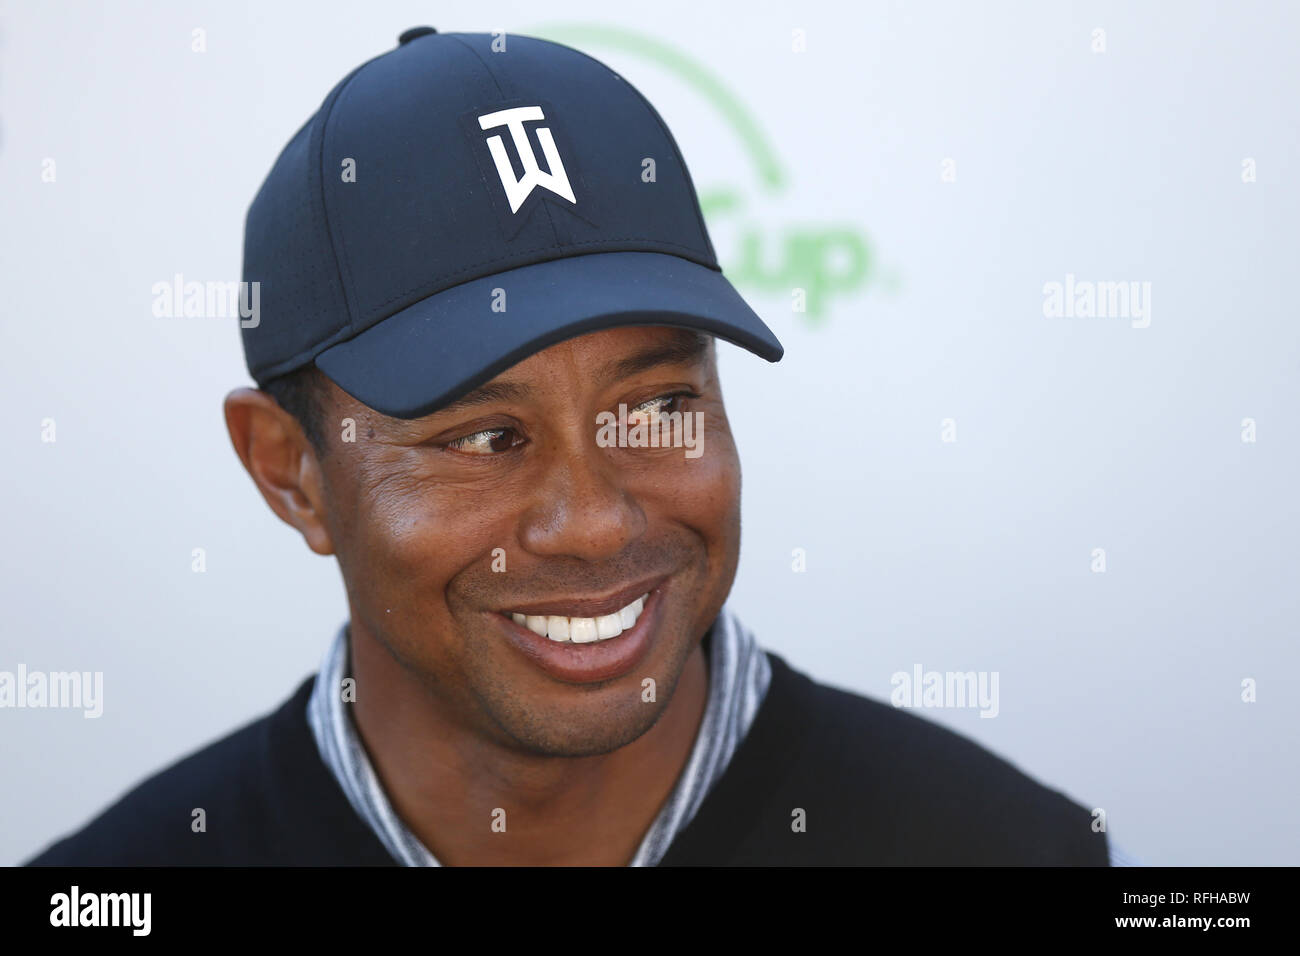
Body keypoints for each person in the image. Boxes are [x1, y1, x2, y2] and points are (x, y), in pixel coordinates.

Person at [27, 28, 1113, 866]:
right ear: (289, 469)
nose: (593, 518)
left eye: (654, 409)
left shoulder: (1009, 852)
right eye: (486, 434)